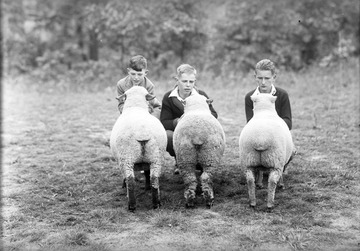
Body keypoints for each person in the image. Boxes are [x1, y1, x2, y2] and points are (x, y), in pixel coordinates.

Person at [160, 64, 218, 174]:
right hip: (180, 135)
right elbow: (164, 122)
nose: (188, 85)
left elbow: (214, 115)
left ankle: (202, 162)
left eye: (191, 82)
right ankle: (180, 161)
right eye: (184, 81)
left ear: (195, 81)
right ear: (177, 80)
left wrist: (201, 118)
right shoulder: (168, 97)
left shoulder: (201, 95)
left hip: (199, 132)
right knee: (167, 135)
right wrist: (177, 122)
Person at [245, 59, 292, 130]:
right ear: (255, 77)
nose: (263, 82)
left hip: (278, 134)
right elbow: (249, 124)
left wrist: (269, 124)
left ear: (274, 77)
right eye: (260, 78)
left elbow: (288, 124)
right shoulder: (250, 97)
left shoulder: (282, 95)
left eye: (267, 78)